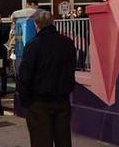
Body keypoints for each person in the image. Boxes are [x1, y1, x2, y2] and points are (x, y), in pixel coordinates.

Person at [17, 10, 76, 147]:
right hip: (62, 99)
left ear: (36, 25)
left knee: (41, 140)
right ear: (53, 22)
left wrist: (26, 101)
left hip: (39, 102)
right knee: (64, 140)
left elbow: (25, 76)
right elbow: (71, 68)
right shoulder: (67, 43)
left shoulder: (33, 45)